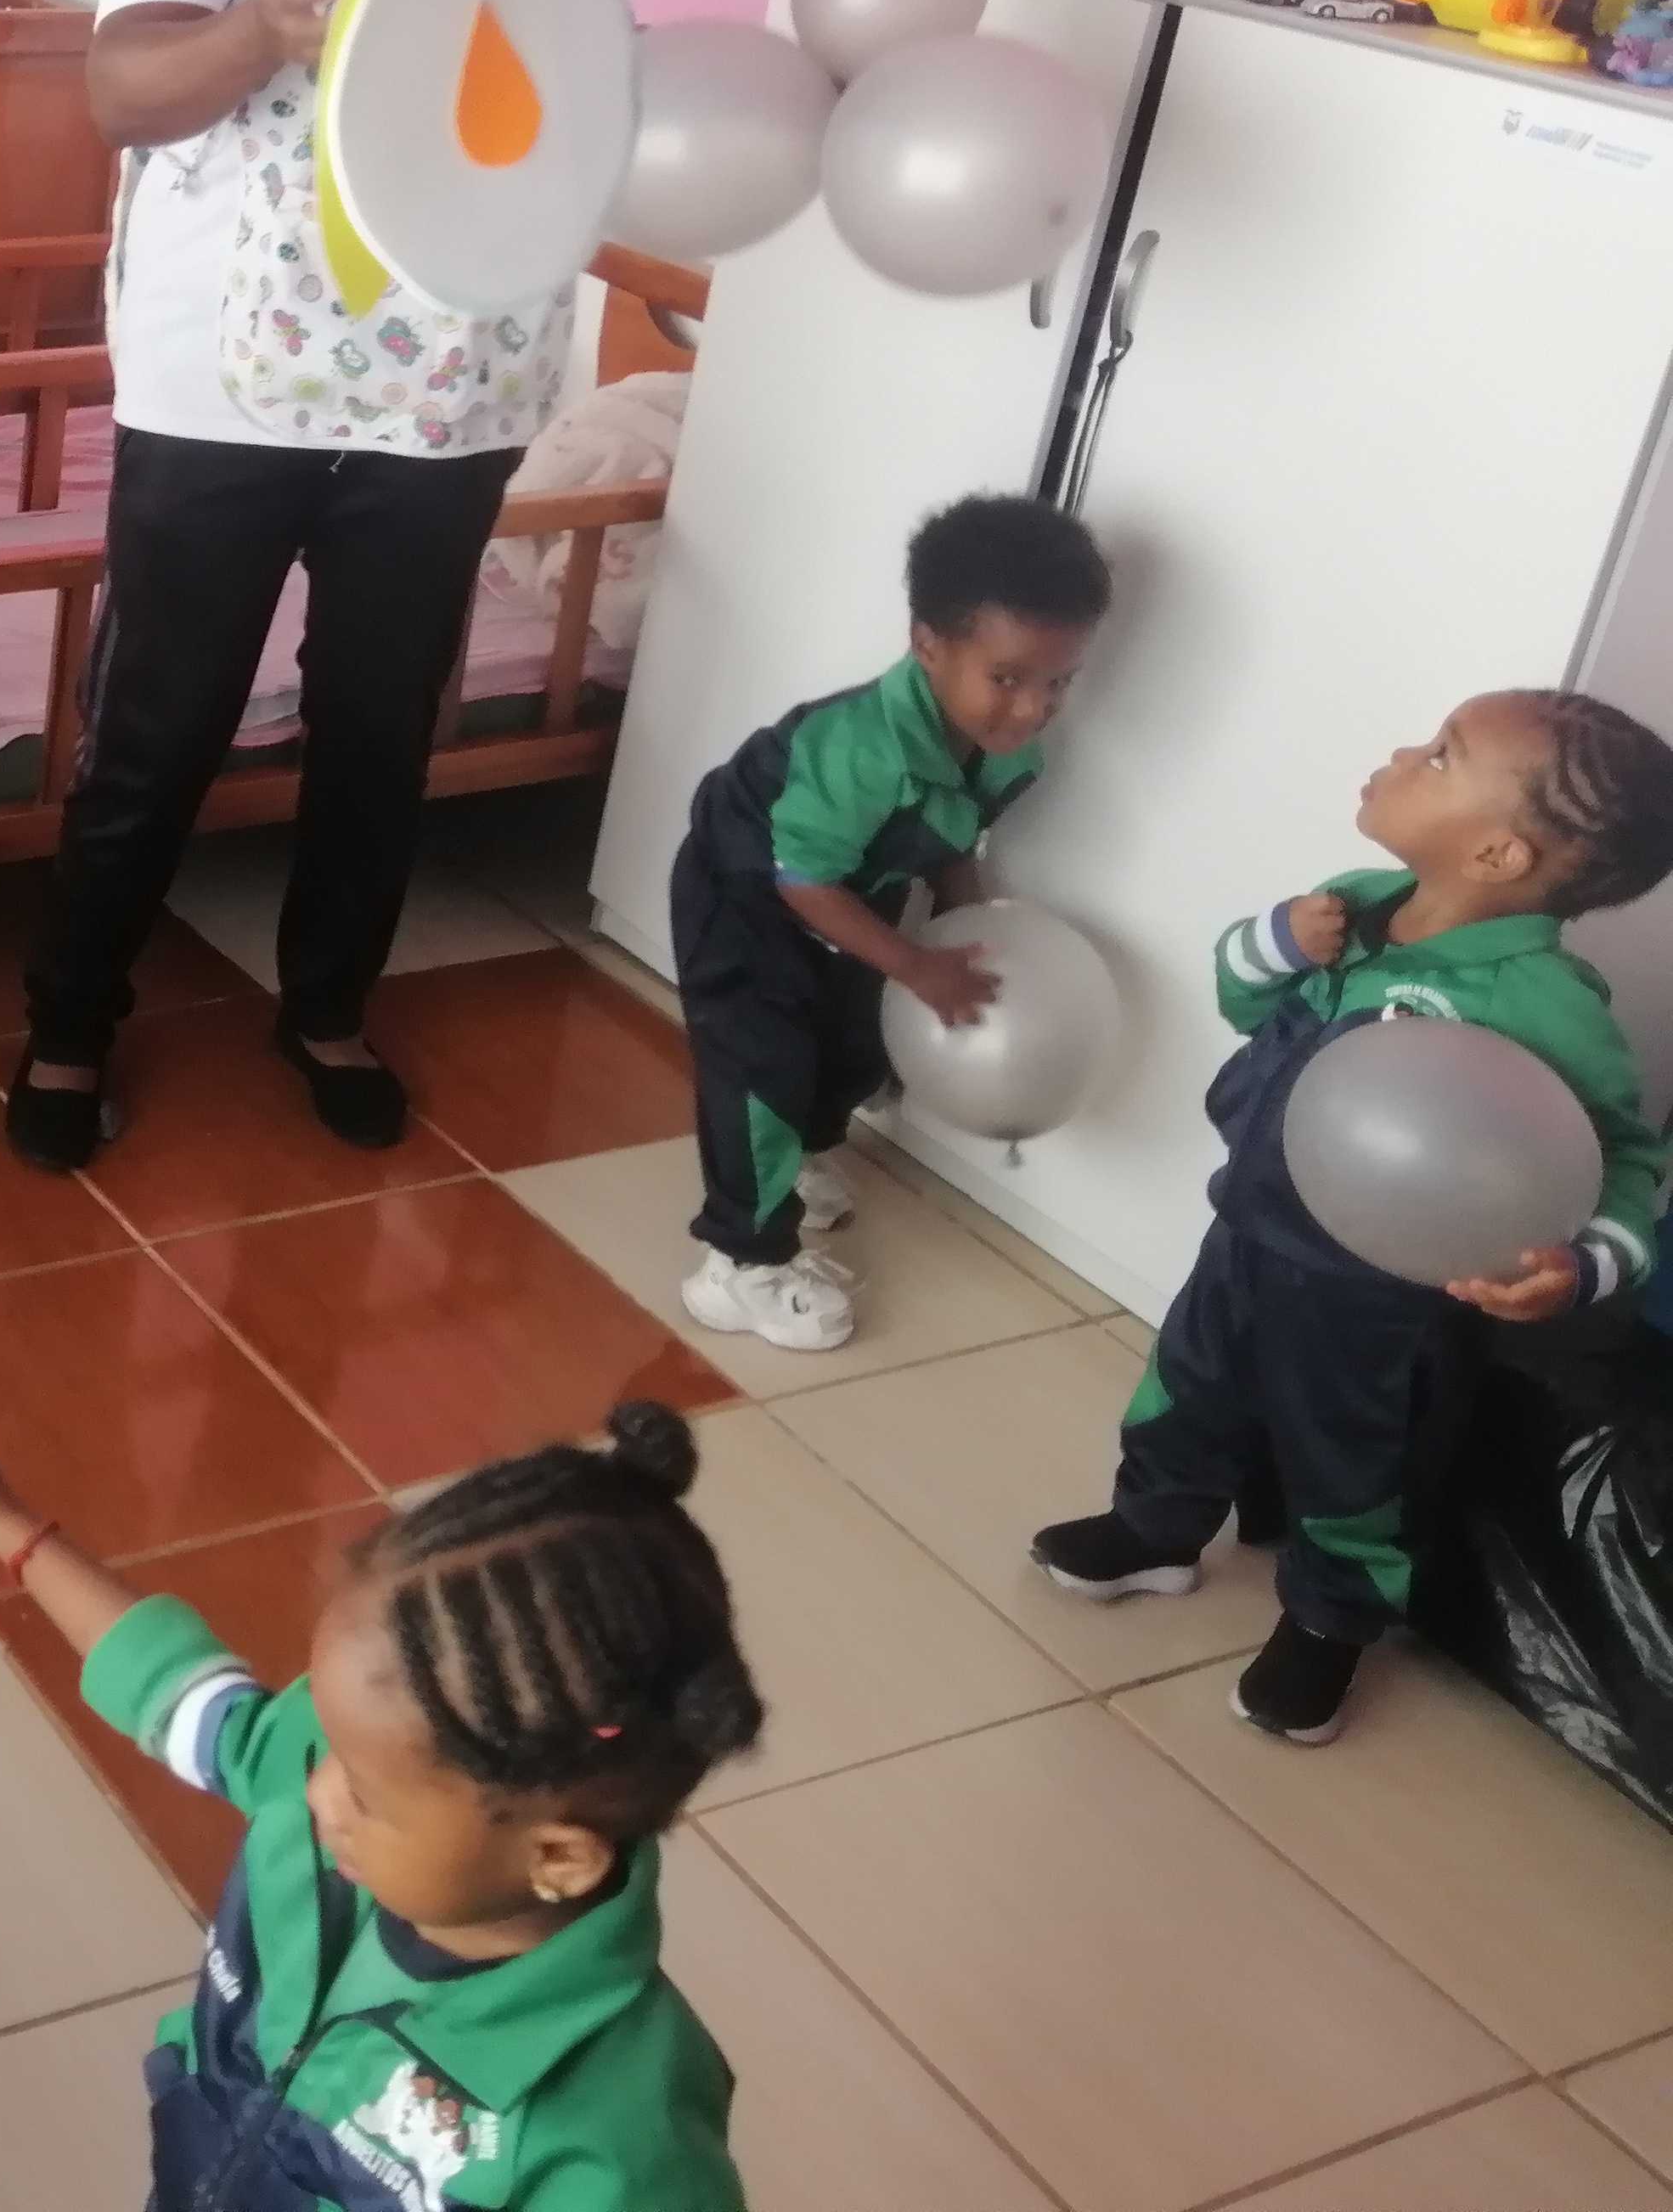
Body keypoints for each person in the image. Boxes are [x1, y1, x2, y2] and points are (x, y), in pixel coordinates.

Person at [11, 0, 572, 1176]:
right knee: (160, 723)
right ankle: (67, 1023)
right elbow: (121, 90)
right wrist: (261, 25)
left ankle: (326, 1004)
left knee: (383, 723)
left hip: (449, 370)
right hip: (234, 371)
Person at [0, 1377, 758, 2211]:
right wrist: (15, 1532)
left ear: (557, 1857)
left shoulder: (616, 2139)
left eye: (366, 1793)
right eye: (329, 1745)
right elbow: (180, 1689)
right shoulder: (350, 1777)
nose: (313, 1789)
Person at [1034, 690, 1673, 1745]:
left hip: (1381, 1303)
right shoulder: (1355, 903)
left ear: (1500, 855)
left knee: (1358, 1465)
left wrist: (1581, 1266)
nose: (1403, 752)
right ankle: (1156, 1528)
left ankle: (1329, 1623)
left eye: (1440, 757)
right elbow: (1243, 1001)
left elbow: (1627, 1159)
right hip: (1249, 1231)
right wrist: (1276, 943)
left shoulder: (1546, 1005)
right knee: (1185, 1389)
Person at [668, 494, 1110, 1354]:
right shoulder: (859, 750)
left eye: (1058, 682)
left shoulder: (1009, 749)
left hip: (851, 892)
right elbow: (802, 879)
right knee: (763, 1069)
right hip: (750, 897)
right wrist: (916, 964)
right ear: (928, 644)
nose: (1032, 709)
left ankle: (803, 1156)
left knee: (856, 1041)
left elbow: (951, 834)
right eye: (1008, 679)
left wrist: (964, 918)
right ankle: (740, 1260)